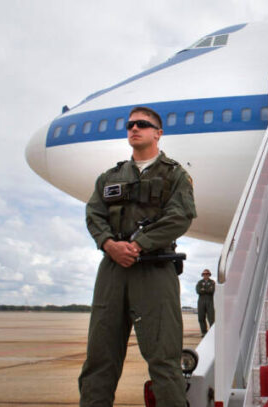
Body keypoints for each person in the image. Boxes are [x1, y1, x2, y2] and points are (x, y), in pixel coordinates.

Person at [79, 106, 197, 407]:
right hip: (113, 269)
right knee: (99, 359)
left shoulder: (175, 175)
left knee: (163, 360)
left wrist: (139, 244)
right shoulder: (110, 176)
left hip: (154, 269)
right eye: (130, 124)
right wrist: (109, 244)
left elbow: (180, 215)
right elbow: (94, 213)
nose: (134, 128)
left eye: (143, 124)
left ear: (158, 133)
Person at [196, 269, 216, 335]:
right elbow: (198, 291)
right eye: (204, 274)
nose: (205, 275)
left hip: (210, 301)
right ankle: (204, 332)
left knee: (211, 318)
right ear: (203, 275)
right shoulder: (199, 282)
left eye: (207, 274)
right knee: (201, 317)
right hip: (201, 301)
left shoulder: (212, 282)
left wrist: (203, 289)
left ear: (209, 275)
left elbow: (212, 290)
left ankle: (212, 333)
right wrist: (207, 289)